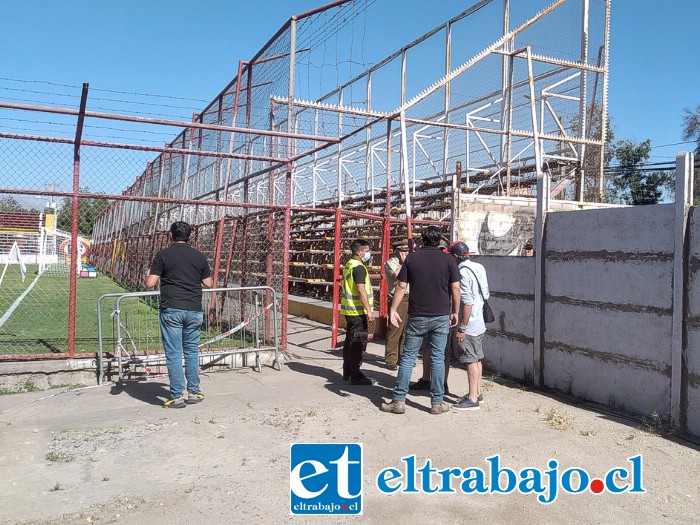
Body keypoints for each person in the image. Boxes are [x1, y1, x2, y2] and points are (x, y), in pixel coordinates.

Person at [380, 226, 460, 415]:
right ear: (439, 240)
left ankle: (398, 401)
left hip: (417, 315)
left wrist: (392, 309)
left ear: (421, 240)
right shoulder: (448, 259)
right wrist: (455, 311)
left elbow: (401, 286)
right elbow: (456, 288)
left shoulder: (412, 258)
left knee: (408, 357)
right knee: (438, 357)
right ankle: (437, 402)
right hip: (440, 315)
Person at [146, 221, 213, 408]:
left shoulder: (163, 255)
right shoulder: (199, 256)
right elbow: (208, 283)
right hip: (194, 309)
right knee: (191, 351)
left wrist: (150, 274)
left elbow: (150, 283)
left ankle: (176, 396)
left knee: (174, 354)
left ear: (170, 235)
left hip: (172, 308)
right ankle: (194, 392)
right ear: (190, 236)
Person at [409, 239, 460, 394]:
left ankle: (440, 384)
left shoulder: (448, 263)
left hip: (437, 312)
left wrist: (455, 312)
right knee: (432, 350)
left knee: (438, 352)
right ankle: (432, 383)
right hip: (441, 313)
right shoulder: (447, 263)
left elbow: (455, 289)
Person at [449, 241, 489, 411]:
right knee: (477, 358)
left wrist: (462, 328)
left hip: (470, 323)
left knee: (471, 359)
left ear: (455, 256)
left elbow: (467, 302)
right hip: (480, 321)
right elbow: (486, 293)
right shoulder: (479, 267)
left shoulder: (462, 273)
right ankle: (477, 392)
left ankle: (472, 399)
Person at [339, 239, 375, 385]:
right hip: (357, 311)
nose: (368, 254)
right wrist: (368, 310)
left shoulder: (349, 264)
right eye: (366, 251)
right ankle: (356, 375)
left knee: (349, 341)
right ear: (359, 252)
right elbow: (361, 290)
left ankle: (347, 371)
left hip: (349, 310)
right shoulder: (359, 267)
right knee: (357, 343)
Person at [383, 240, 410, 371]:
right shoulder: (391, 262)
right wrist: (406, 263)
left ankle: (402, 357)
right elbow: (399, 276)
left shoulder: (407, 263)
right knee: (395, 329)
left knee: (405, 330)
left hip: (409, 296)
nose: (407, 253)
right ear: (398, 251)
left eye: (408, 251)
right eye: (404, 251)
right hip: (397, 298)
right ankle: (391, 359)